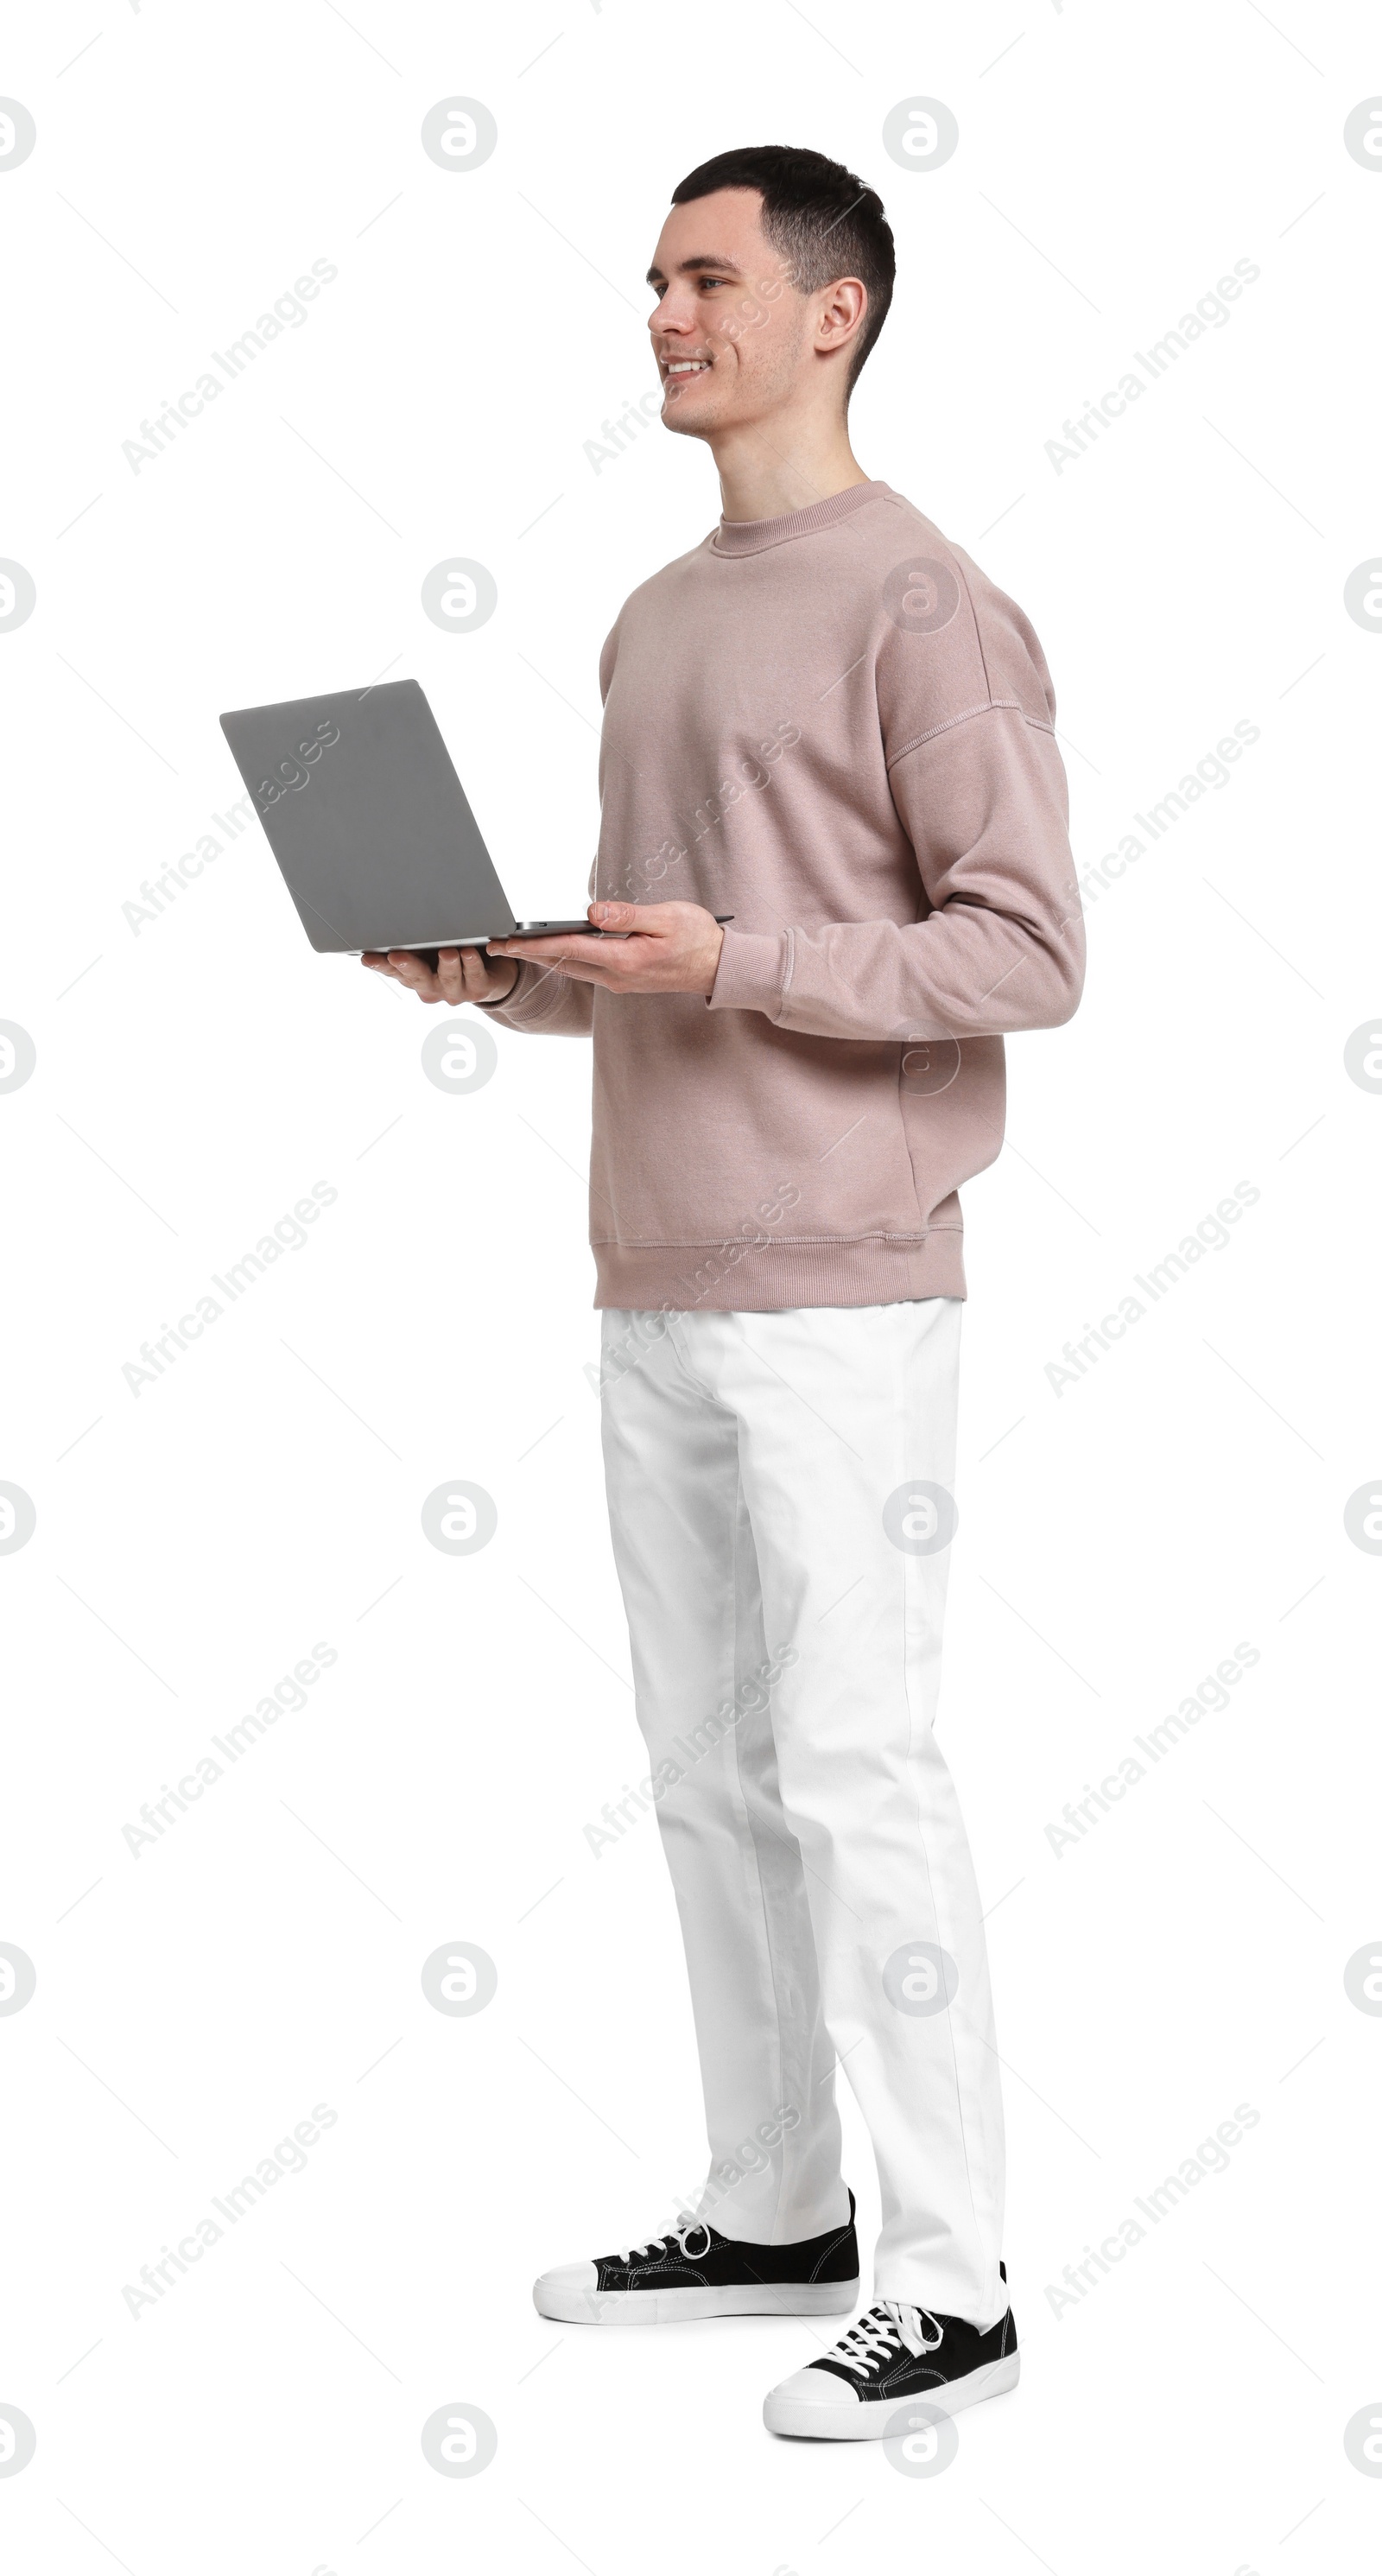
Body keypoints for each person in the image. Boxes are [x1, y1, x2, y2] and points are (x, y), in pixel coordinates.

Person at [365, 143, 1084, 2441]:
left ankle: (951, 2277)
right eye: (653, 280)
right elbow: (679, 965)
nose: (662, 314)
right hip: (650, 1266)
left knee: (860, 1766)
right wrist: (506, 976)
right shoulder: (657, 619)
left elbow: (1030, 949)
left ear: (831, 312)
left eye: (703, 278)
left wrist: (741, 957)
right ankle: (780, 2206)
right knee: (707, 1771)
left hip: (847, 1290)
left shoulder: (924, 609)